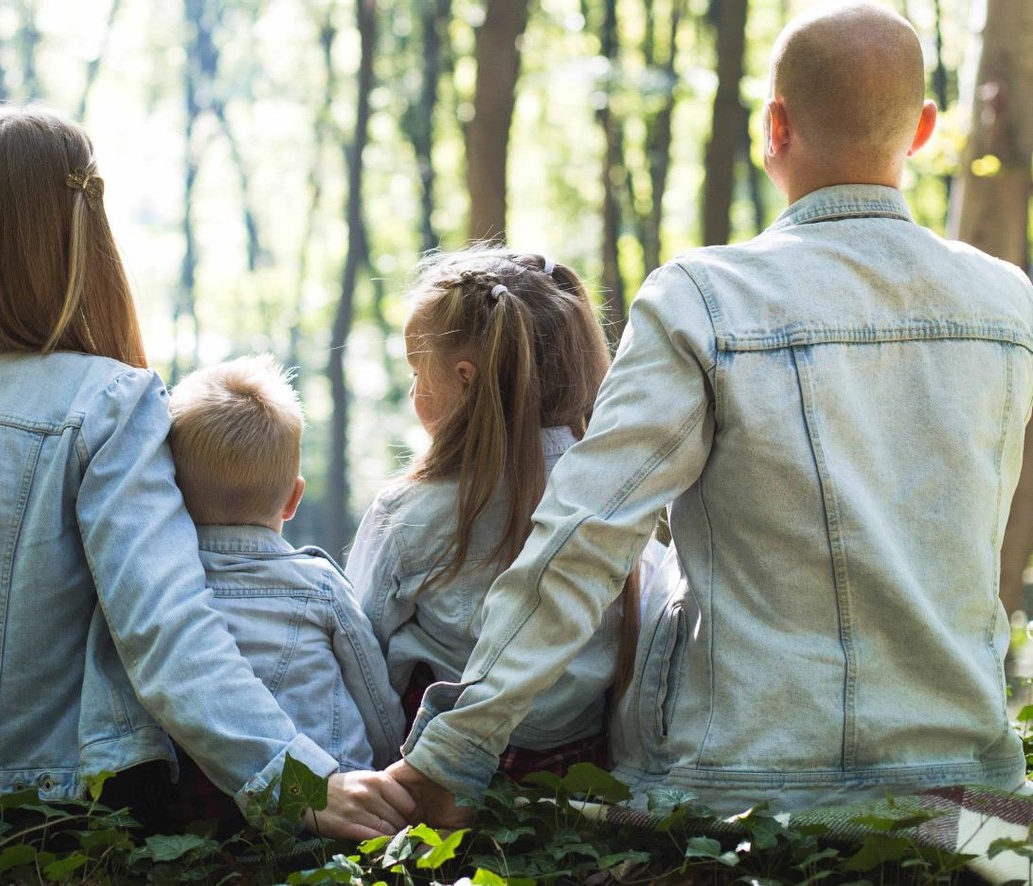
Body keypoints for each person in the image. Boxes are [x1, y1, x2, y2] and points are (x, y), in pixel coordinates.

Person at [387, 3, 1033, 821]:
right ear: (925, 131)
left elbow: (586, 535)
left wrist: (455, 750)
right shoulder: (1010, 305)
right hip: (968, 783)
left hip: (739, 783)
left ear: (773, 127)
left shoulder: (705, 300)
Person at [0, 105, 412, 840]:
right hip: (73, 817)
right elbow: (166, 628)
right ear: (82, 235)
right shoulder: (108, 401)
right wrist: (297, 781)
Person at [346, 249, 669, 780]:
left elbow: (361, 653)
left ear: (465, 378)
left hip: (431, 776)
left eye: (416, 371)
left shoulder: (408, 513)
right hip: (578, 776)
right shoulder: (619, 504)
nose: (411, 391)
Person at [167, 355, 404, 776]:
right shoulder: (319, 586)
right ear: (294, 499)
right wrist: (387, 765)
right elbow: (374, 698)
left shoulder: (162, 588)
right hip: (333, 791)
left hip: (208, 802)